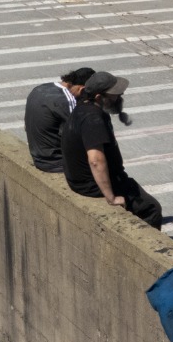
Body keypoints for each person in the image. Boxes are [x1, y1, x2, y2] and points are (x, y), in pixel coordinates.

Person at [63, 72, 164, 229]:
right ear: (98, 97)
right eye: (114, 95)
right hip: (90, 185)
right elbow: (96, 160)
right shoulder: (93, 119)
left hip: (83, 180)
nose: (120, 97)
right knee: (152, 209)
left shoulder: (83, 107)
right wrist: (111, 197)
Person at [23, 66, 95, 174]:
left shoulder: (39, 89)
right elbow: (79, 135)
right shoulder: (67, 100)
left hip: (38, 157)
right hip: (56, 163)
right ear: (82, 89)